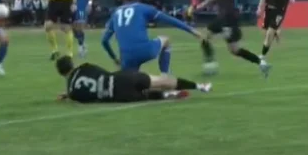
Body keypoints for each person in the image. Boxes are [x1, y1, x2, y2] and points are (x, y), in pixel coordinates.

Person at [195, 0, 269, 77]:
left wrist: (199, 6)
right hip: (231, 15)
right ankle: (261, 62)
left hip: (225, 15)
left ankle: (210, 66)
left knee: (204, 37)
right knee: (234, 49)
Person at [102, 0, 201, 75]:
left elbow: (104, 41)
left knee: (133, 82)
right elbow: (169, 20)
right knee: (166, 40)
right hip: (145, 51)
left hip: (126, 58)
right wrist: (191, 30)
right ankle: (165, 75)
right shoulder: (144, 8)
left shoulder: (115, 13)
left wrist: (114, 58)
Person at [55, 56, 210, 104]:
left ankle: (170, 95)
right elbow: (101, 73)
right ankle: (199, 86)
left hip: (118, 96)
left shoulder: (73, 93)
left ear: (61, 73)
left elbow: (91, 96)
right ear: (72, 64)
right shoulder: (84, 67)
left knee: (146, 95)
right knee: (161, 81)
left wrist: (68, 94)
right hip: (121, 78)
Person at [257, 0, 294, 67]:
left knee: (270, 32)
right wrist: (260, 8)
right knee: (266, 32)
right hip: (269, 8)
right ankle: (276, 31)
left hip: (280, 8)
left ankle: (262, 55)